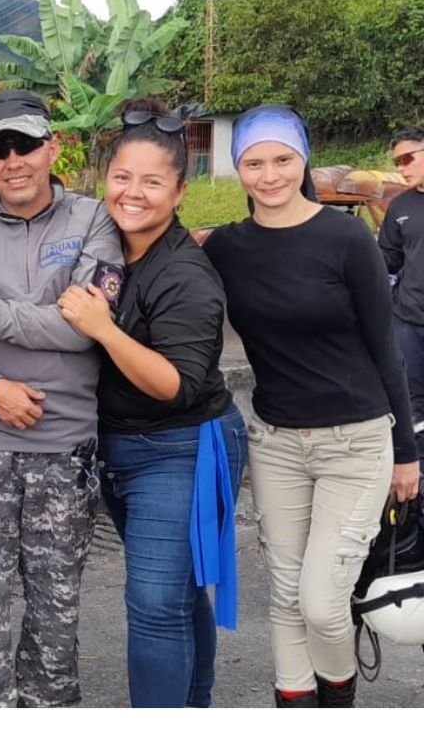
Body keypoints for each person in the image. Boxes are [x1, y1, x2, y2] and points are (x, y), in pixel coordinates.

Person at [202, 104, 419, 707]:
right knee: (284, 593)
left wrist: (407, 455)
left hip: (357, 441)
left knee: (323, 602)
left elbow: (387, 348)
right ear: (237, 167)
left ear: (302, 161)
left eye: (282, 160)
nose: (268, 175)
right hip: (276, 443)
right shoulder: (226, 248)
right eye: (253, 162)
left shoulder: (346, 236)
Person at [0, 89, 121, 707]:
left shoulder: (94, 220)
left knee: (55, 615)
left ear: (52, 146)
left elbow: (83, 326)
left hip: (64, 451)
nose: (14, 161)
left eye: (26, 144)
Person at [55, 98, 248, 707]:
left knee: (156, 602)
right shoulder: (105, 247)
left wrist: (105, 329)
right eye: (122, 177)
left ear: (179, 192)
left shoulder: (185, 274)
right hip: (120, 445)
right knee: (178, 593)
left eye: (152, 182)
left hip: (182, 444)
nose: (133, 193)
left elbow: (178, 384)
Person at [379, 126, 424, 478]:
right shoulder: (401, 206)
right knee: (413, 406)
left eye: (408, 158)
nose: (402, 168)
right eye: (397, 161)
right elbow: (385, 262)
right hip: (409, 321)